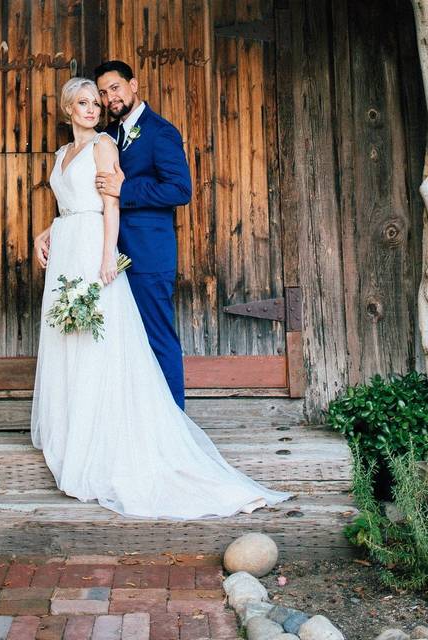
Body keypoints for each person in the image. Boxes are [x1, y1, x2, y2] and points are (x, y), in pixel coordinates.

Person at [29, 76, 290, 519]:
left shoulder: (158, 133)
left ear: (131, 86)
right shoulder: (102, 138)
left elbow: (175, 190)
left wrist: (115, 220)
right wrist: (49, 229)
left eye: (108, 93)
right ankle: (86, 427)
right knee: (93, 341)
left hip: (137, 251)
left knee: (152, 338)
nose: (102, 103)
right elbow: (77, 201)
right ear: (69, 108)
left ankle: (169, 426)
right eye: (91, 99)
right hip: (80, 247)